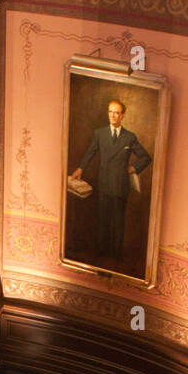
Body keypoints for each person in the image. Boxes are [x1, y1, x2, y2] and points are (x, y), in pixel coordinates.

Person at [71, 99, 152, 262]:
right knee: (103, 220)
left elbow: (146, 157)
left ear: (122, 116)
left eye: (116, 112)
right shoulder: (99, 133)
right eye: (110, 112)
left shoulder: (130, 137)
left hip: (120, 185)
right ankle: (101, 254)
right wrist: (81, 168)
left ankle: (116, 255)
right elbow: (90, 152)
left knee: (118, 221)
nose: (113, 115)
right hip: (104, 184)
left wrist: (133, 168)